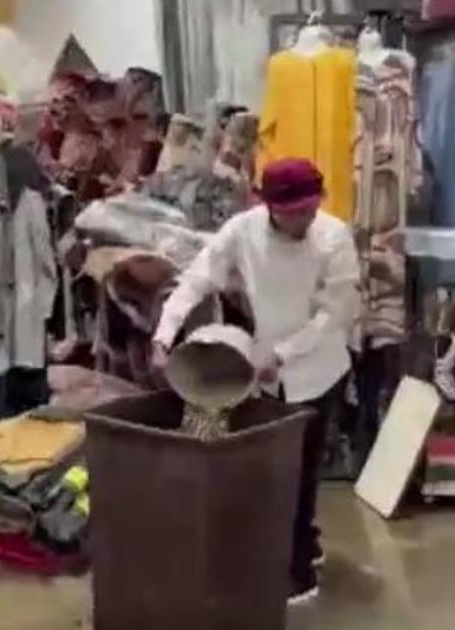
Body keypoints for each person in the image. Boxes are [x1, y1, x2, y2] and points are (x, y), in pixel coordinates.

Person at [151, 157, 359, 604]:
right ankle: (302, 538)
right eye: (295, 212)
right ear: (269, 207)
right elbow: (197, 279)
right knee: (274, 467)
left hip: (318, 368)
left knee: (301, 469)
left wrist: (282, 353)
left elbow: (334, 314)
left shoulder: (333, 238)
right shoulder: (242, 232)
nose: (305, 219)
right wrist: (164, 335)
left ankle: (299, 570)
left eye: (310, 209)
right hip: (264, 368)